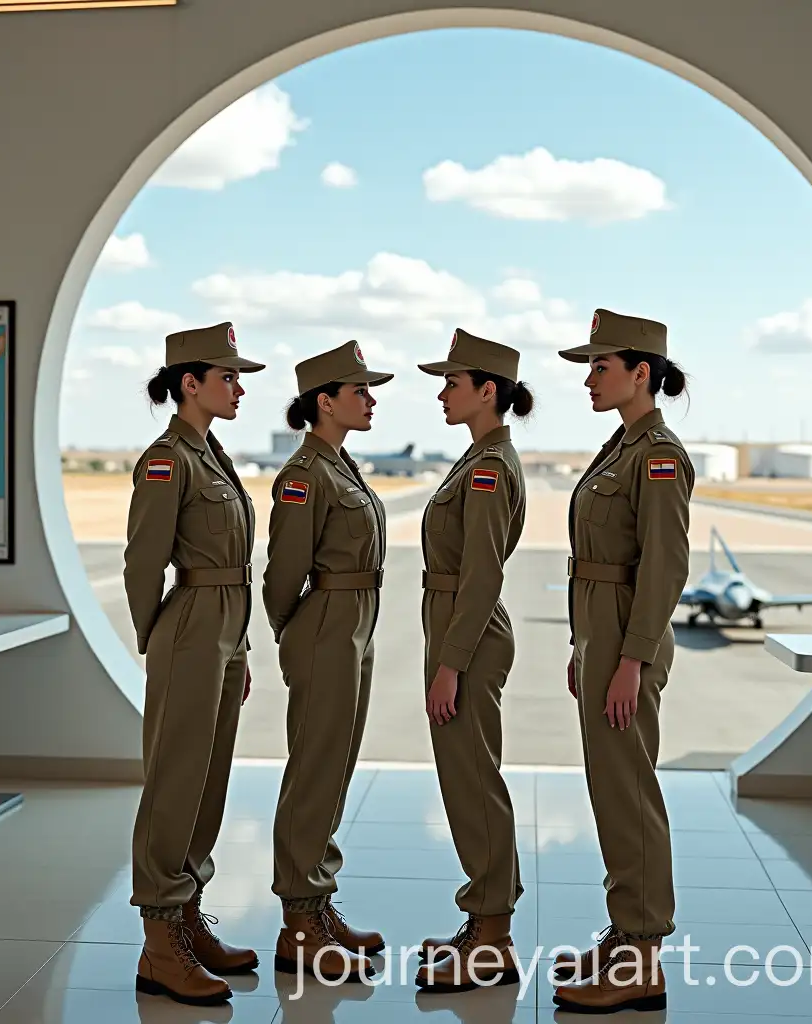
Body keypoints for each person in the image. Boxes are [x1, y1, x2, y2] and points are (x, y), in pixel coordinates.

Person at [550, 308, 694, 1015]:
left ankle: (642, 957)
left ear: (642, 373)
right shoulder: (622, 447)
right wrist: (584, 647)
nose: (588, 379)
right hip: (602, 637)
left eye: (600, 367)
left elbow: (664, 568)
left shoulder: (658, 455)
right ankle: (627, 932)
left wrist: (631, 661)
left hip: (626, 640)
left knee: (629, 792)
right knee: (612, 789)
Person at [124, 322, 265, 1007]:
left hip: (224, 632)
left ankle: (186, 918)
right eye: (228, 377)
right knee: (174, 782)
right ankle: (159, 944)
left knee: (208, 782)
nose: (239, 389)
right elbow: (142, 561)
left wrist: (238, 645)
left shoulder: (212, 454)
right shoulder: (167, 460)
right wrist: (159, 638)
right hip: (190, 630)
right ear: (190, 383)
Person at [262, 340, 393, 982]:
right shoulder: (304, 475)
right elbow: (283, 572)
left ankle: (316, 902)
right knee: (314, 769)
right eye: (360, 391)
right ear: (325, 401)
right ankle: (299, 923)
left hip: (354, 626)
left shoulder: (340, 466)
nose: (370, 401)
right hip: (325, 627)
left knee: (335, 767)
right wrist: (295, 631)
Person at [412, 328, 533, 994]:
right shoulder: (478, 457)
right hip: (459, 626)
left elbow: (482, 575)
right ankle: (484, 920)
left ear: (488, 391)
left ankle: (493, 938)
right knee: (467, 779)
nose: (442, 394)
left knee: (473, 781)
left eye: (452, 383)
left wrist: (450, 664)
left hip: (468, 633)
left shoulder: (489, 468)